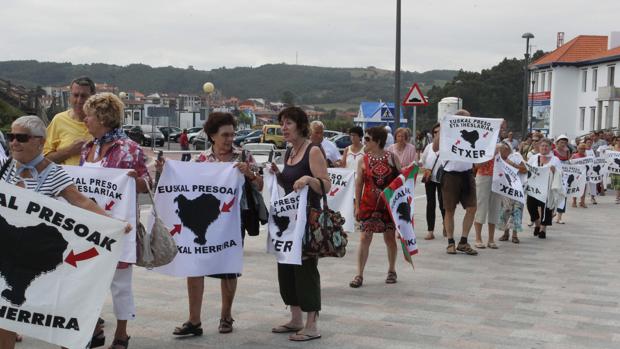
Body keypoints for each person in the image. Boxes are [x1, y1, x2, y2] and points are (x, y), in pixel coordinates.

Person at [0, 115, 124, 349]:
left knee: (59, 315)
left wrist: (113, 224)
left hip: (39, 257)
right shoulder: (5, 168)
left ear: (39, 142)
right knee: (4, 318)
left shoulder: (53, 173)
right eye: (11, 137)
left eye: (21, 137)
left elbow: (82, 202)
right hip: (9, 255)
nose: (14, 142)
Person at [160, 112, 263, 337]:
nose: (229, 139)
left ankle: (226, 316)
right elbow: (184, 183)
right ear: (212, 136)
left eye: (232, 134)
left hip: (233, 220)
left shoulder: (243, 155)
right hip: (203, 220)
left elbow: (261, 185)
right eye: (225, 135)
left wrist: (250, 175)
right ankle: (194, 320)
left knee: (228, 267)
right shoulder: (201, 160)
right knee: (194, 266)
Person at [81, 93, 152, 349]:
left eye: (88, 115)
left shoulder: (128, 148)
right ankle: (94, 328)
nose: (84, 119)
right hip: (88, 226)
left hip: (120, 226)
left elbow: (147, 184)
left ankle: (121, 334)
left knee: (120, 284)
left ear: (102, 117)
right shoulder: (88, 148)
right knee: (87, 280)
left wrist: (134, 179)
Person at [269, 107, 329, 342]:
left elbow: (326, 184)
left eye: (288, 123)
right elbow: (287, 183)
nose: (283, 127)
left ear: (301, 126)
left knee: (305, 269)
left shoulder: (312, 151)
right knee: (286, 266)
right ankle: (295, 318)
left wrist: (308, 179)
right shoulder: (289, 152)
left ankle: (312, 324)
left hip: (307, 219)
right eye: (282, 123)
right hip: (289, 221)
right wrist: (277, 174)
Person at [350, 126, 401, 288]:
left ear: (378, 141)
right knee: (365, 238)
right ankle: (359, 274)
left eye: (367, 139)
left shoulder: (393, 157)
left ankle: (392, 270)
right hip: (368, 204)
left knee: (390, 238)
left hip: (388, 205)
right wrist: (356, 205)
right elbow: (358, 184)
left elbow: (402, 181)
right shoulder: (363, 160)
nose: (364, 141)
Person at [438, 109, 478, 256]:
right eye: (464, 118)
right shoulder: (447, 133)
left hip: (467, 174)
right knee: (449, 209)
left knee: (472, 207)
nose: (467, 120)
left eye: (468, 118)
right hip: (450, 174)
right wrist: (442, 128)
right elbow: (436, 147)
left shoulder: (472, 132)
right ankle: (450, 242)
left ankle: (463, 241)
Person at [44, 76, 95, 165]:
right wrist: (69, 151)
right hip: (64, 179)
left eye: (84, 96)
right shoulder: (59, 120)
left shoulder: (103, 122)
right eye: (75, 95)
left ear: (93, 97)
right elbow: (44, 160)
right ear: (70, 96)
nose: (79, 100)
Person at [526, 138, 561, 239]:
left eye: (546, 146)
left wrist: (554, 171)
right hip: (534, 187)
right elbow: (528, 169)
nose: (544, 148)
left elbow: (560, 173)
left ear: (550, 147)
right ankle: (537, 223)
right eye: (542, 146)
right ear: (539, 147)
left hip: (547, 188)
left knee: (546, 208)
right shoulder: (533, 158)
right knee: (531, 206)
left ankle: (543, 229)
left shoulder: (555, 159)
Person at [498, 142, 527, 243]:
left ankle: (515, 235)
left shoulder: (516, 156)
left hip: (518, 189)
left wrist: (512, 164)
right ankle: (505, 233)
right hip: (505, 189)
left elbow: (525, 170)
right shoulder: (498, 158)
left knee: (517, 210)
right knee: (505, 210)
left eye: (504, 149)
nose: (502, 151)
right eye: (500, 149)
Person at [419, 123, 445, 240]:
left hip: (443, 178)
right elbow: (422, 160)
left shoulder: (447, 146)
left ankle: (446, 224)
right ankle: (430, 231)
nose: (437, 134)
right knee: (430, 204)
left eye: (440, 132)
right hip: (429, 178)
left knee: (443, 203)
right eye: (435, 132)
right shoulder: (429, 147)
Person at [473, 150, 502, 250]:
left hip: (498, 178)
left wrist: (503, 151)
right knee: (481, 207)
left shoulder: (501, 146)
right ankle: (478, 238)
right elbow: (476, 165)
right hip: (483, 176)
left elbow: (507, 160)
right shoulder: (482, 145)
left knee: (495, 207)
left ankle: (491, 239)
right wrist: (490, 155)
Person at [553, 135, 572, 224]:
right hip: (555, 176)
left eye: (565, 142)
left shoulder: (567, 151)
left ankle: (559, 217)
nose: (563, 144)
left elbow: (569, 162)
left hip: (565, 177)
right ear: (557, 143)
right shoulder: (553, 152)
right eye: (561, 142)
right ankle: (552, 212)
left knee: (563, 195)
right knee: (553, 194)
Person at [571, 143, 589, 208]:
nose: (582, 150)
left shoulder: (586, 157)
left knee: (583, 189)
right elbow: (570, 164)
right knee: (575, 188)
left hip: (584, 175)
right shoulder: (574, 156)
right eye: (581, 148)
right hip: (576, 175)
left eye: (584, 149)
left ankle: (582, 202)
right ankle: (574, 201)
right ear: (578, 149)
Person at [610, 137, 620, 204]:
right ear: (616, 141)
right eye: (618, 140)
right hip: (615, 169)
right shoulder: (613, 148)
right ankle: (617, 198)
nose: (619, 141)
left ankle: (618, 197)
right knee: (617, 184)